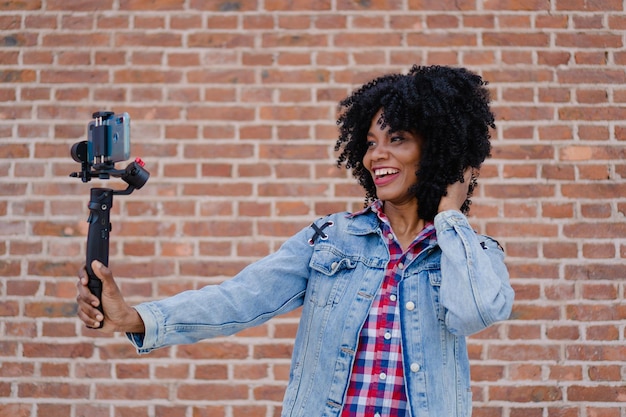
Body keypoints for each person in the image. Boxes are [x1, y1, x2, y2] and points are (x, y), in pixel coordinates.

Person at [76, 65, 515, 417]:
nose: (375, 155)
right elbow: (241, 298)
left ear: (437, 148)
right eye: (369, 143)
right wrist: (136, 318)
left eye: (396, 139)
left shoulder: (470, 253)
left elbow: (476, 312)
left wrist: (451, 217)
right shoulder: (331, 239)